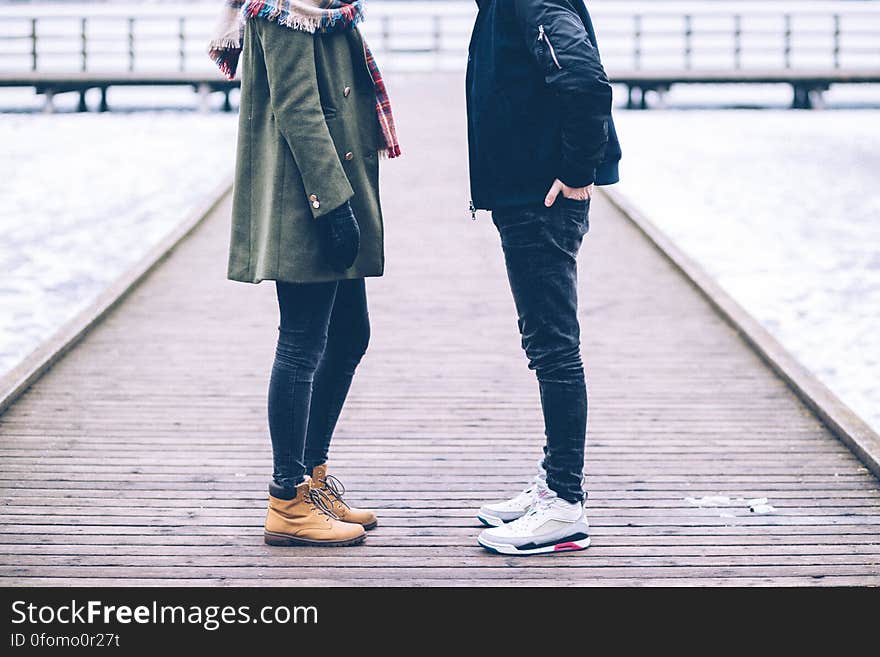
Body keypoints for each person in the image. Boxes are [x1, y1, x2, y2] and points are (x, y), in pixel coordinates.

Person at [208, 0, 400, 547]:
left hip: (335, 188)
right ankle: (287, 500)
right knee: (302, 341)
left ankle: (311, 478)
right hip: (307, 199)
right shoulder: (285, 8)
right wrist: (333, 204)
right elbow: (297, 106)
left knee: (349, 334)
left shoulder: (326, 9)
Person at [466, 0, 622, 555]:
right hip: (525, 194)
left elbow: (584, 81)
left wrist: (579, 173)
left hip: (542, 199)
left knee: (554, 348)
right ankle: (554, 486)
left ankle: (564, 505)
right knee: (545, 344)